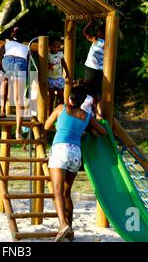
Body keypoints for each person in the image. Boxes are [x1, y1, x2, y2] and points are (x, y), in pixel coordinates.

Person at [45, 85, 106, 242]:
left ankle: (63, 225)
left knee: (57, 191)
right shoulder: (86, 116)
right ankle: (70, 232)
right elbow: (103, 132)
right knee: (66, 193)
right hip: (75, 154)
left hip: (60, 150)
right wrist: (87, 131)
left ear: (70, 99)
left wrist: (59, 126)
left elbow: (46, 125)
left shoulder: (61, 108)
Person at [0, 26, 29, 140]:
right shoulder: (26, 47)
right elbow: (28, 62)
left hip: (7, 60)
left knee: (4, 81)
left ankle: (2, 110)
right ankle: (18, 132)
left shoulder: (5, 44)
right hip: (21, 63)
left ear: (10, 37)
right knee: (19, 99)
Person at [82, 20, 105, 118]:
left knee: (89, 92)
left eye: (99, 31)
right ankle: (98, 116)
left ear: (101, 33)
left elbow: (85, 33)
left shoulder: (96, 39)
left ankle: (89, 114)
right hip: (100, 70)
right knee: (97, 93)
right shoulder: (109, 43)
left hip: (91, 69)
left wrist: (90, 23)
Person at [48, 36, 70, 115]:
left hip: (59, 78)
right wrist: (48, 66)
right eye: (55, 47)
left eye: (58, 47)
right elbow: (45, 66)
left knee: (61, 97)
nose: (57, 49)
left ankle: (61, 112)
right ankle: (50, 113)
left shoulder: (60, 54)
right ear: (49, 46)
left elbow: (64, 63)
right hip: (50, 78)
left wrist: (67, 72)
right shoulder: (47, 55)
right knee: (52, 97)